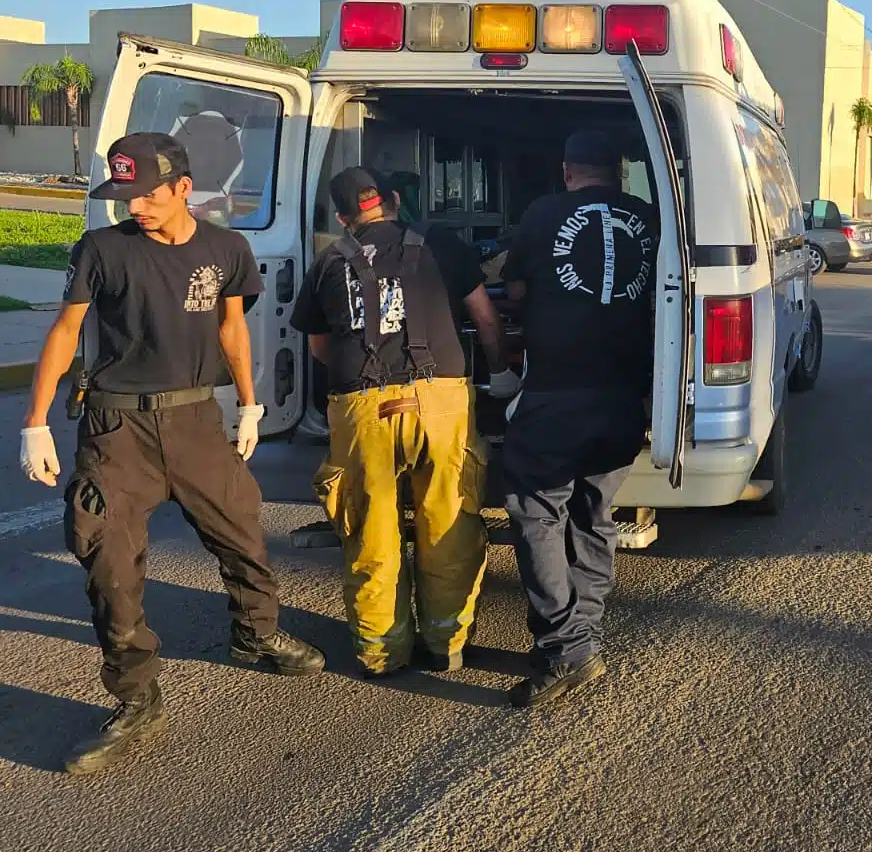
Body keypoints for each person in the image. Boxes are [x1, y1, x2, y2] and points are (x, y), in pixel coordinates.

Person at [19, 132, 325, 776]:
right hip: (116, 430)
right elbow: (66, 330)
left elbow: (232, 326)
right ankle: (135, 697)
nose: (134, 207)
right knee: (109, 565)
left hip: (194, 420)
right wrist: (35, 422)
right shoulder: (103, 249)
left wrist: (248, 403)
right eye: (123, 195)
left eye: (145, 195)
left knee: (243, 531)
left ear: (184, 188)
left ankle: (257, 633)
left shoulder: (226, 249)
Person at [290, 167, 520, 677]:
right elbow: (485, 318)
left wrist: (364, 380)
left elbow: (318, 345)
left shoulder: (329, 261)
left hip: (361, 406)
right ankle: (447, 645)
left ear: (344, 217)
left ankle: (380, 653)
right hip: (439, 401)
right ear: (393, 200)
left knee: (371, 529)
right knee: (449, 520)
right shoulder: (440, 246)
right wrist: (501, 373)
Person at [499, 129, 658, 709]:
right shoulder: (646, 216)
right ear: (617, 171)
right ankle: (579, 639)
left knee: (537, 512)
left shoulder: (543, 215)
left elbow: (514, 291)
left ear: (568, 171)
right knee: (594, 512)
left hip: (556, 394)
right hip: (623, 398)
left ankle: (566, 645)